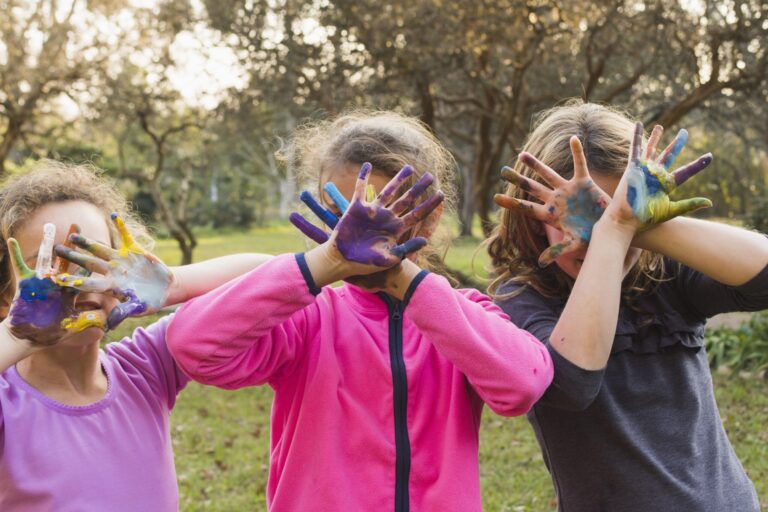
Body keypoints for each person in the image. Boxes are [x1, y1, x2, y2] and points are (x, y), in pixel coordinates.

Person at [166, 111, 554, 511]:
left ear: (429, 218)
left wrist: (403, 277)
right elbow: (192, 344)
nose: (361, 231)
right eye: (342, 214)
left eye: (385, 211)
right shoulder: (310, 320)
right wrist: (322, 263)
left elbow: (523, 385)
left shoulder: (462, 318)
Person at [487, 101, 768, 511]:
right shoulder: (520, 300)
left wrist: (632, 225)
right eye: (572, 219)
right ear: (532, 218)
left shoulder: (667, 278)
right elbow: (572, 384)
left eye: (609, 215)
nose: (593, 239)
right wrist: (614, 229)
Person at [0, 160, 272, 511]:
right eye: (51, 264)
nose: (78, 281)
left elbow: (270, 274)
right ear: (6, 296)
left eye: (96, 258)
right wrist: (17, 334)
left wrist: (173, 284)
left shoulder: (145, 365)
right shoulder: (8, 404)